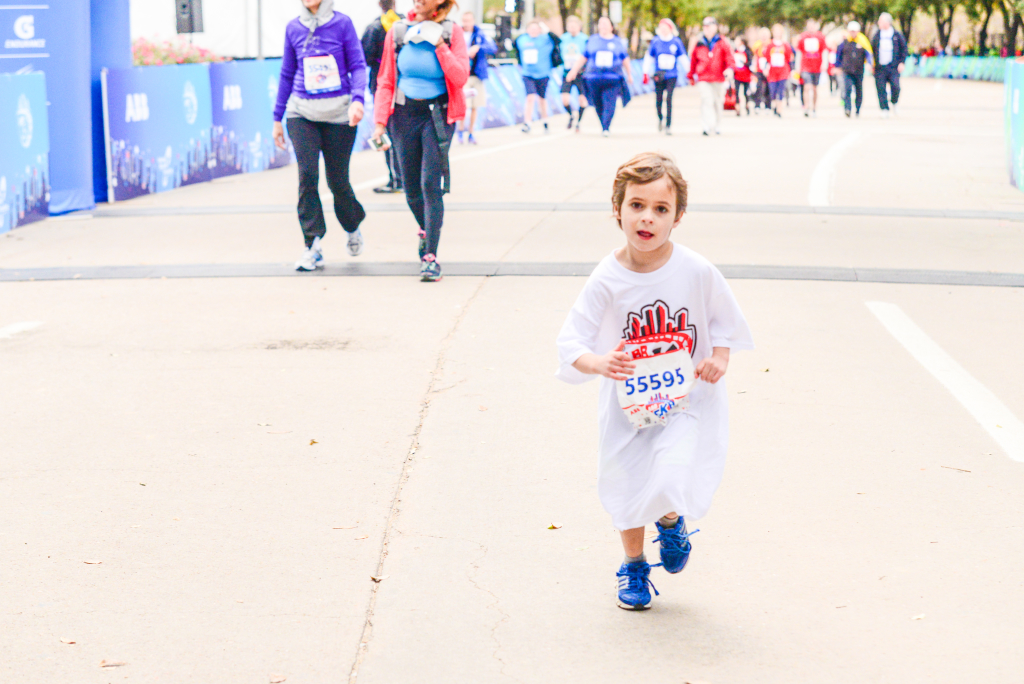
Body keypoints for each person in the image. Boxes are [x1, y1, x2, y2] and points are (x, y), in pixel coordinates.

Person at [555, 152, 754, 611]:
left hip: (684, 400)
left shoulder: (696, 270)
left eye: (661, 209)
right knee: (626, 483)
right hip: (628, 405)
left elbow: (725, 322)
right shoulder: (607, 278)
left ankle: (669, 522)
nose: (648, 218)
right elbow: (572, 340)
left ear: (677, 217)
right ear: (617, 209)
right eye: (637, 205)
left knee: (668, 472)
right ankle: (634, 565)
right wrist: (598, 362)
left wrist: (719, 358)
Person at [371, 0, 469, 282]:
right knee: (411, 186)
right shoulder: (399, 31)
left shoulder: (451, 32)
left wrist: (440, 45)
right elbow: (386, 81)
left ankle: (431, 256)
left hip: (438, 115)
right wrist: (379, 123)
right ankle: (426, 229)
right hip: (403, 116)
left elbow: (460, 77)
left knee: (429, 183)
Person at [273, 0, 368, 272]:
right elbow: (286, 73)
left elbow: (358, 66)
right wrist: (277, 118)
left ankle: (352, 225)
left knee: (338, 181)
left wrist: (358, 100)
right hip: (301, 113)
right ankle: (312, 244)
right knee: (307, 176)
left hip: (339, 114)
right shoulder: (293, 27)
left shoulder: (342, 24)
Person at [565, 16, 633, 137]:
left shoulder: (617, 42)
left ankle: (606, 127)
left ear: (611, 27)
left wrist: (629, 74)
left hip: (613, 78)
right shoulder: (592, 40)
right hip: (593, 78)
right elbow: (583, 57)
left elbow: (625, 59)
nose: (603, 26)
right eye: (601, 24)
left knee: (610, 102)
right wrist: (573, 71)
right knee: (598, 103)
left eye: (606, 24)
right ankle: (603, 123)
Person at [362, 0, 403, 194]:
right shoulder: (405, 24)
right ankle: (406, 178)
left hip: (382, 86)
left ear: (379, 4)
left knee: (386, 132)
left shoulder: (374, 27)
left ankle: (397, 179)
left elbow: (365, 57)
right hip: (405, 87)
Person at [688, 17, 734, 135]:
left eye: (710, 26)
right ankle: (706, 126)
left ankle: (717, 125)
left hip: (718, 77)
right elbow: (693, 60)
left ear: (715, 27)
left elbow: (729, 58)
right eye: (705, 26)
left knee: (718, 102)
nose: (707, 29)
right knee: (706, 100)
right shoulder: (699, 42)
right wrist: (691, 75)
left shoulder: (722, 41)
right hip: (703, 77)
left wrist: (729, 69)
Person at [458, 11, 496, 143]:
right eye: (464, 20)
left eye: (469, 20)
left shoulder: (480, 34)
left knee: (475, 105)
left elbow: (492, 47)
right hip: (462, 74)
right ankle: (460, 130)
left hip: (477, 74)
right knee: (463, 104)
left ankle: (471, 132)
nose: (466, 23)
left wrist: (478, 47)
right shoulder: (458, 33)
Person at [644, 18, 687, 134]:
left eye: (666, 27)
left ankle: (668, 125)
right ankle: (660, 117)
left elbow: (683, 57)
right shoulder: (656, 42)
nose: (663, 30)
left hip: (671, 75)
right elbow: (649, 57)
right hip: (659, 75)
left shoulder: (676, 42)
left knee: (669, 99)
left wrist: (689, 72)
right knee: (658, 99)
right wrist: (645, 72)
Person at [515, 19, 557, 133]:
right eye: (531, 29)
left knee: (542, 99)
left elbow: (558, 40)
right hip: (528, 73)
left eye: (536, 29)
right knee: (530, 97)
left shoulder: (546, 39)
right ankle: (527, 122)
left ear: (540, 30)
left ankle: (545, 120)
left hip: (543, 73)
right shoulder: (522, 39)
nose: (533, 31)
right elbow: (516, 50)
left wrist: (547, 29)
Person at [871, 12, 907, 117]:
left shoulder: (896, 35)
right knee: (880, 88)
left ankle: (894, 102)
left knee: (896, 87)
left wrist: (902, 62)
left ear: (887, 22)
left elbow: (904, 49)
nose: (879, 23)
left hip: (893, 67)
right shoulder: (877, 35)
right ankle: (884, 109)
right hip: (880, 67)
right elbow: (872, 50)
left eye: (881, 21)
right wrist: (871, 63)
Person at [835, 21, 873, 117]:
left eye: (854, 31)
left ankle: (857, 109)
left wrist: (869, 63)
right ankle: (847, 109)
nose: (852, 33)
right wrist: (837, 67)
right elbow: (838, 55)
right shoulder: (844, 43)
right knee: (847, 89)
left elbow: (868, 55)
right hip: (847, 71)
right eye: (851, 31)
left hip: (859, 70)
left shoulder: (862, 42)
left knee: (859, 91)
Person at [559, 15, 589, 131]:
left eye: (574, 26)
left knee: (582, 99)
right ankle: (571, 115)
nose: (572, 28)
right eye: (569, 26)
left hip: (581, 73)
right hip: (567, 72)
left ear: (579, 26)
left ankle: (579, 122)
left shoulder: (584, 39)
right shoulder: (563, 39)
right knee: (565, 99)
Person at [795, 19, 827, 117]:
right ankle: (806, 107)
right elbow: (799, 52)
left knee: (814, 88)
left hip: (816, 66)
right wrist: (798, 66)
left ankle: (814, 108)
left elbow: (824, 50)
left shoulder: (820, 37)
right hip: (805, 66)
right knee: (807, 87)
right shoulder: (803, 37)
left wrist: (824, 64)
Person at [763, 23, 793, 118]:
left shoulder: (785, 45)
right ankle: (775, 105)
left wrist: (791, 70)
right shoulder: (770, 45)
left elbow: (789, 58)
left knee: (781, 90)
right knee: (773, 90)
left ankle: (779, 109)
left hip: (783, 70)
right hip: (772, 71)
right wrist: (765, 68)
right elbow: (766, 58)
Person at [731, 35, 753, 115]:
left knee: (745, 92)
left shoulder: (747, 51)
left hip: (746, 75)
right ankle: (737, 108)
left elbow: (750, 62)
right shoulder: (735, 50)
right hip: (737, 74)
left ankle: (747, 106)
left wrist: (743, 62)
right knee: (736, 92)